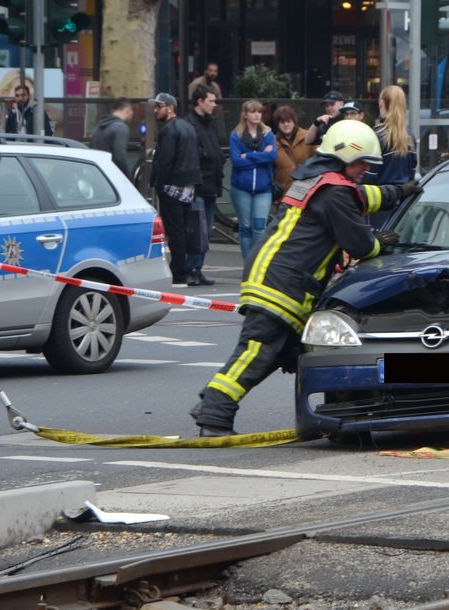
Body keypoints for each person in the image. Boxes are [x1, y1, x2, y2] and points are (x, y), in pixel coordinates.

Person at [191, 120, 421, 437]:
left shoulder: (320, 180)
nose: (366, 168)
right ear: (344, 156)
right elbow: (361, 245)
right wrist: (382, 241)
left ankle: (213, 407)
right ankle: (214, 414)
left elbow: (360, 196)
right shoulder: (335, 191)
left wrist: (399, 192)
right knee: (257, 351)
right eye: (362, 162)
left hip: (276, 274)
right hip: (282, 282)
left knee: (273, 353)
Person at [150, 92, 201, 287]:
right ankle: (184, 269)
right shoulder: (188, 127)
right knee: (184, 230)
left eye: (159, 106)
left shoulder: (168, 130)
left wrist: (158, 184)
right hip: (189, 185)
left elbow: (164, 160)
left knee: (175, 230)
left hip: (172, 184)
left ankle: (179, 273)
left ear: (170, 107)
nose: (156, 110)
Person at [183, 84, 224, 287]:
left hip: (209, 185)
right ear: (200, 102)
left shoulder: (209, 123)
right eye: (211, 101)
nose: (214, 105)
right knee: (197, 231)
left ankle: (197, 268)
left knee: (204, 231)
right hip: (198, 185)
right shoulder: (190, 124)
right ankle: (191, 268)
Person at [229, 99, 277, 259]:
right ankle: (247, 263)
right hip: (241, 187)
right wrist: (260, 156)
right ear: (245, 115)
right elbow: (236, 161)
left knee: (259, 226)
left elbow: (272, 156)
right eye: (252, 111)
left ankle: (256, 262)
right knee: (246, 227)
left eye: (259, 111)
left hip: (263, 189)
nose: (257, 115)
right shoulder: (236, 135)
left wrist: (249, 156)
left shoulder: (268, 134)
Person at [364, 85, 418, 228]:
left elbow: (368, 177)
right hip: (402, 208)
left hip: (378, 207)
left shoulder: (376, 136)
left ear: (381, 103)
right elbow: (411, 174)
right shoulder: (410, 137)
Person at [272, 105, 316, 198]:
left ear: (294, 122)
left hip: (306, 189)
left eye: (289, 121)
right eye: (282, 122)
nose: (286, 124)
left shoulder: (308, 136)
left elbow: (317, 161)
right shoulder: (272, 141)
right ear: (277, 124)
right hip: (284, 192)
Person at [90, 97, 134, 177]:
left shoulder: (98, 127)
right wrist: (128, 178)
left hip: (97, 175)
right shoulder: (120, 127)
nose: (132, 114)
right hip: (112, 176)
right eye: (132, 111)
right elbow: (120, 157)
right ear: (128, 110)